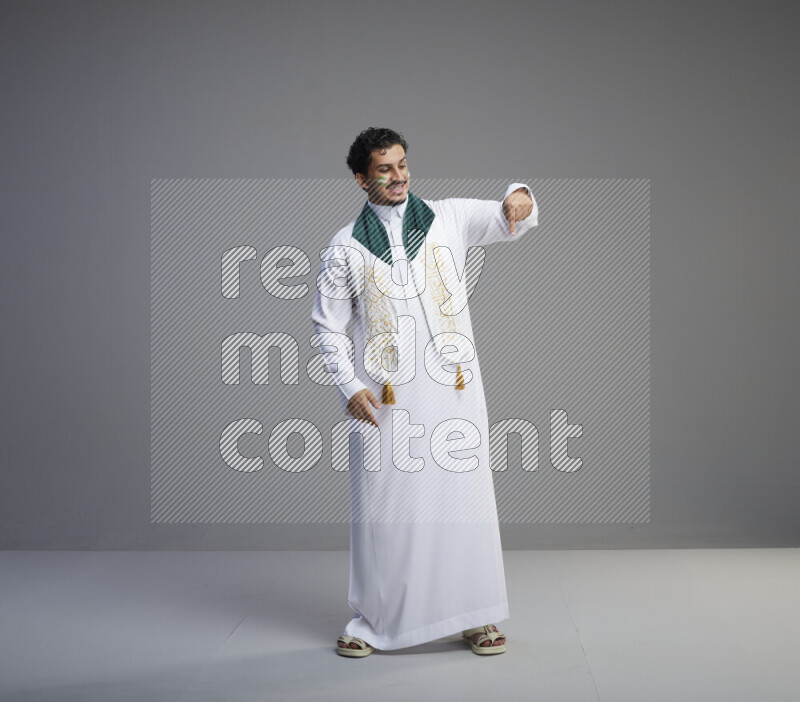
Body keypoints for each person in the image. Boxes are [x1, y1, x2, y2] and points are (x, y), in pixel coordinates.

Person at [310, 128, 538, 657]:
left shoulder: (447, 217)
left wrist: (519, 196)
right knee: (386, 511)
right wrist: (348, 387)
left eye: (403, 165)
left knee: (465, 503)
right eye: (385, 169)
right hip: (387, 402)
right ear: (362, 178)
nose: (399, 176)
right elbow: (327, 325)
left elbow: (508, 216)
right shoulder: (344, 246)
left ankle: (476, 615)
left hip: (454, 388)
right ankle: (375, 620)